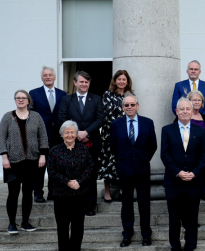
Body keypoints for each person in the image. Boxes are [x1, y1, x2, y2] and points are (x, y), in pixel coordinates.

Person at [161, 98, 205, 251]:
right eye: (182, 109)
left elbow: (203, 156)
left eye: (188, 109)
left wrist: (194, 173)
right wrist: (178, 172)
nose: (185, 111)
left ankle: (190, 249)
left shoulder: (200, 131)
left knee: (192, 218)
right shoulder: (167, 130)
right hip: (174, 182)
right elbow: (164, 155)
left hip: (193, 182)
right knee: (174, 218)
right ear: (177, 111)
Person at [0, 90, 49, 234]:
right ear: (15, 100)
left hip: (32, 161)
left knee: (28, 193)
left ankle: (25, 222)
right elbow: (1, 138)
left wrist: (43, 155)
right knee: (13, 193)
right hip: (12, 162)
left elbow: (43, 137)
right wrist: (4, 157)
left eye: (23, 98)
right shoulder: (7, 117)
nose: (20, 100)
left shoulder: (36, 117)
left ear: (28, 100)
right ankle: (12, 224)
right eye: (18, 98)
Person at [110, 92, 157, 248]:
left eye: (132, 104)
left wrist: (143, 159)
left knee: (144, 203)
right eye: (126, 105)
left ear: (137, 106)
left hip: (142, 168)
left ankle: (146, 235)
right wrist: (124, 161)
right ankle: (127, 234)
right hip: (125, 169)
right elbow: (113, 147)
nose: (129, 107)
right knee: (126, 204)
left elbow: (153, 145)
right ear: (123, 107)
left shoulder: (147, 123)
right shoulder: (116, 124)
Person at [57, 71, 104, 216]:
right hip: (73, 143)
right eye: (81, 82)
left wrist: (86, 133)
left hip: (91, 142)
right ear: (75, 82)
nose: (84, 84)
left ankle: (90, 206)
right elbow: (62, 118)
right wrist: (77, 134)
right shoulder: (67, 100)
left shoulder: (96, 99)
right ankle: (76, 204)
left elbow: (100, 119)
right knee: (74, 173)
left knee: (90, 173)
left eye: (86, 82)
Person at [48, 120, 94, 251]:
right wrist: (67, 181)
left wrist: (79, 181)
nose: (69, 135)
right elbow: (52, 171)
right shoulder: (54, 150)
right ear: (62, 134)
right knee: (62, 226)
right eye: (66, 132)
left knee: (77, 226)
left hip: (79, 194)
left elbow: (90, 167)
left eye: (72, 132)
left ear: (76, 134)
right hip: (61, 194)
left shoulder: (83, 149)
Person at [29, 66, 66, 203]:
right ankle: (38, 194)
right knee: (39, 167)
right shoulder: (34, 93)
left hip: (57, 136)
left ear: (54, 77)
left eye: (50, 75)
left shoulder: (63, 94)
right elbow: (30, 115)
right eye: (45, 75)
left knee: (54, 166)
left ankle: (53, 192)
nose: (48, 77)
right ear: (42, 78)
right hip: (40, 137)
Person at [98, 70, 133, 204]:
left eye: (124, 79)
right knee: (108, 162)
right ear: (115, 81)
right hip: (110, 134)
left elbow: (132, 113)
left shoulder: (131, 95)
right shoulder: (108, 94)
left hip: (126, 134)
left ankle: (121, 190)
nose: (121, 82)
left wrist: (125, 112)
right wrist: (124, 112)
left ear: (127, 81)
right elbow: (108, 113)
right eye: (119, 79)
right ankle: (107, 192)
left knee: (123, 162)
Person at [187, 90, 205, 201]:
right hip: (187, 148)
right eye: (194, 100)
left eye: (199, 100)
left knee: (202, 168)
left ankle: (203, 191)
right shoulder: (185, 115)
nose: (197, 102)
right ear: (189, 102)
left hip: (201, 148)